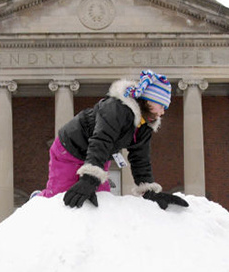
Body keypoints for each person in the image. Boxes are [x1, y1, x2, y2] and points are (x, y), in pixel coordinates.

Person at [36, 69, 189, 211]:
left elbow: (140, 158)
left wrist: (148, 190)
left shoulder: (144, 125)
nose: (163, 112)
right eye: (161, 105)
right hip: (69, 150)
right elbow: (102, 140)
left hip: (98, 156)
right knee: (60, 197)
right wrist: (90, 178)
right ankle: (37, 201)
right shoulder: (116, 108)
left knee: (102, 200)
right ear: (148, 100)